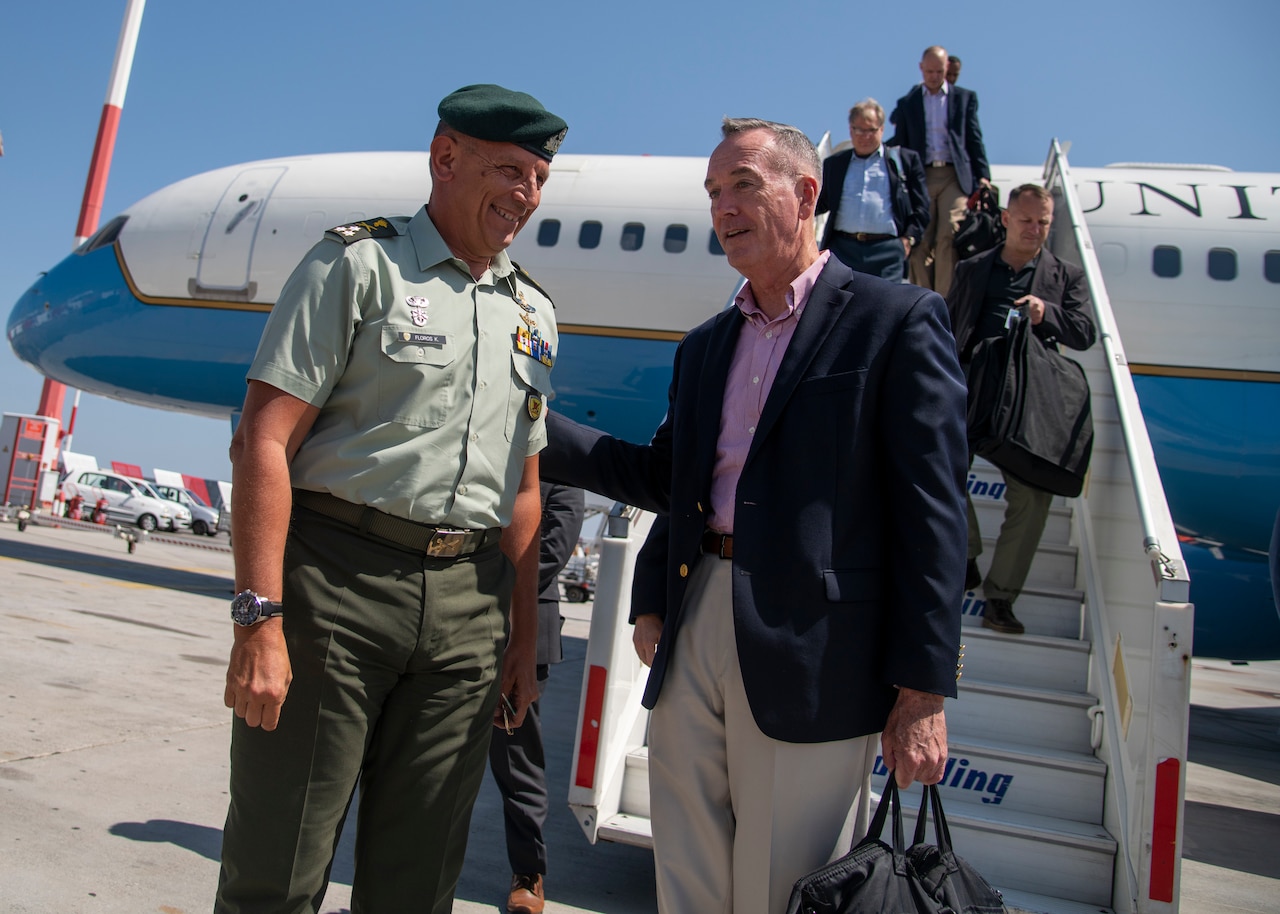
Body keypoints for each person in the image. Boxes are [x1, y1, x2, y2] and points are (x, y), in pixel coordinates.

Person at [543, 117, 968, 914]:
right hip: (698, 610)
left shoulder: (895, 320)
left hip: (816, 646)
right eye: (713, 193)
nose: (724, 208)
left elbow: (934, 514)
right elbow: (675, 478)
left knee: (782, 885)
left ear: (806, 194)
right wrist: (533, 427)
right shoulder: (705, 345)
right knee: (688, 870)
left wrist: (921, 691)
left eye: (744, 185)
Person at [215, 84, 568, 914]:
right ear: (445, 157)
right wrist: (257, 617)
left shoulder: (534, 312)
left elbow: (524, 492)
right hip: (335, 587)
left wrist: (520, 638)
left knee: (419, 885)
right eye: (510, 170)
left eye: (540, 179)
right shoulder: (357, 265)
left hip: (467, 615)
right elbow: (263, 440)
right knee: (279, 867)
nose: (527, 195)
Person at [947, 183, 1097, 635]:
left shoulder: (1065, 275)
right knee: (939, 469)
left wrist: (1045, 313)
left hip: (1028, 388)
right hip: (972, 379)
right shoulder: (974, 267)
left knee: (1033, 495)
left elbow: (1085, 332)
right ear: (1008, 219)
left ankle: (1000, 596)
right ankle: (966, 553)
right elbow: (951, 325)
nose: (1036, 230)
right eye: (1027, 220)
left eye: (1044, 223)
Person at [490, 481, 585, 914]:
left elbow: (558, 541)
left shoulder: (560, 463)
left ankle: (528, 873)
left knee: (518, 762)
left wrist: (496, 589)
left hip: (526, 626)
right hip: (456, 618)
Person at [889, 45, 991, 296]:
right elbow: (900, 140)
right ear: (921, 69)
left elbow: (974, 139)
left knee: (948, 234)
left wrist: (983, 175)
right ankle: (923, 301)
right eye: (930, 71)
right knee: (920, 239)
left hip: (954, 175)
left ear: (948, 69)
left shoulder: (964, 98)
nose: (934, 76)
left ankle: (944, 302)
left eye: (939, 71)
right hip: (921, 176)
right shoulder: (908, 103)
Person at [817, 98, 929, 282]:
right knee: (840, 307)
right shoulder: (835, 164)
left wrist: (909, 238)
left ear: (882, 129)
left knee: (886, 308)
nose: (865, 136)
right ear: (850, 129)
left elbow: (922, 206)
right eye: (859, 130)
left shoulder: (903, 162)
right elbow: (820, 203)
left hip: (887, 253)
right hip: (843, 251)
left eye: (871, 130)